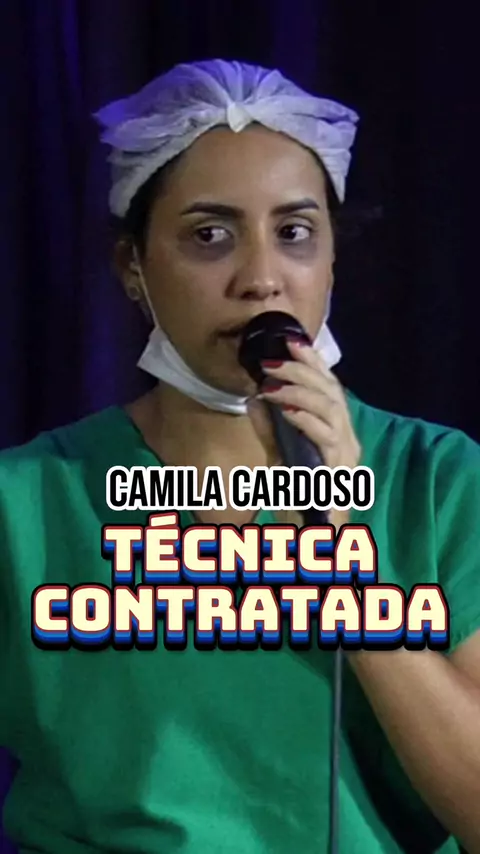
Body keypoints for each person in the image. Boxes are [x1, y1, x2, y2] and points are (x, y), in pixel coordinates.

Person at [0, 59, 479, 854]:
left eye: (295, 234)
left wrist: (344, 551)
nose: (261, 279)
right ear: (132, 267)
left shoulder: (439, 480)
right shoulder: (27, 502)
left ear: (332, 258)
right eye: (210, 236)